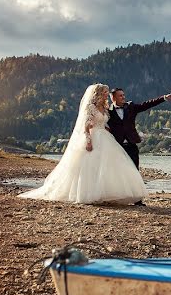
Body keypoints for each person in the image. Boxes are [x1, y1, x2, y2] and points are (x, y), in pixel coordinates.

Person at [19, 84, 147, 205]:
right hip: (94, 137)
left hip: (106, 137)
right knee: (91, 165)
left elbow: (107, 123)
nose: (106, 95)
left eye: (107, 93)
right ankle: (90, 194)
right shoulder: (90, 107)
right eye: (104, 93)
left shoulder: (106, 107)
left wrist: (110, 130)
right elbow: (86, 126)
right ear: (98, 94)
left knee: (108, 166)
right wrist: (89, 141)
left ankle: (107, 193)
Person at [107, 87, 171, 205]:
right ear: (113, 97)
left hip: (131, 144)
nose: (123, 97)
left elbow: (146, 105)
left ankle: (137, 199)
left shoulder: (131, 106)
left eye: (123, 95)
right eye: (120, 95)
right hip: (116, 146)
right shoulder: (108, 111)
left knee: (134, 171)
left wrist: (163, 98)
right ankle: (117, 196)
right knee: (117, 172)